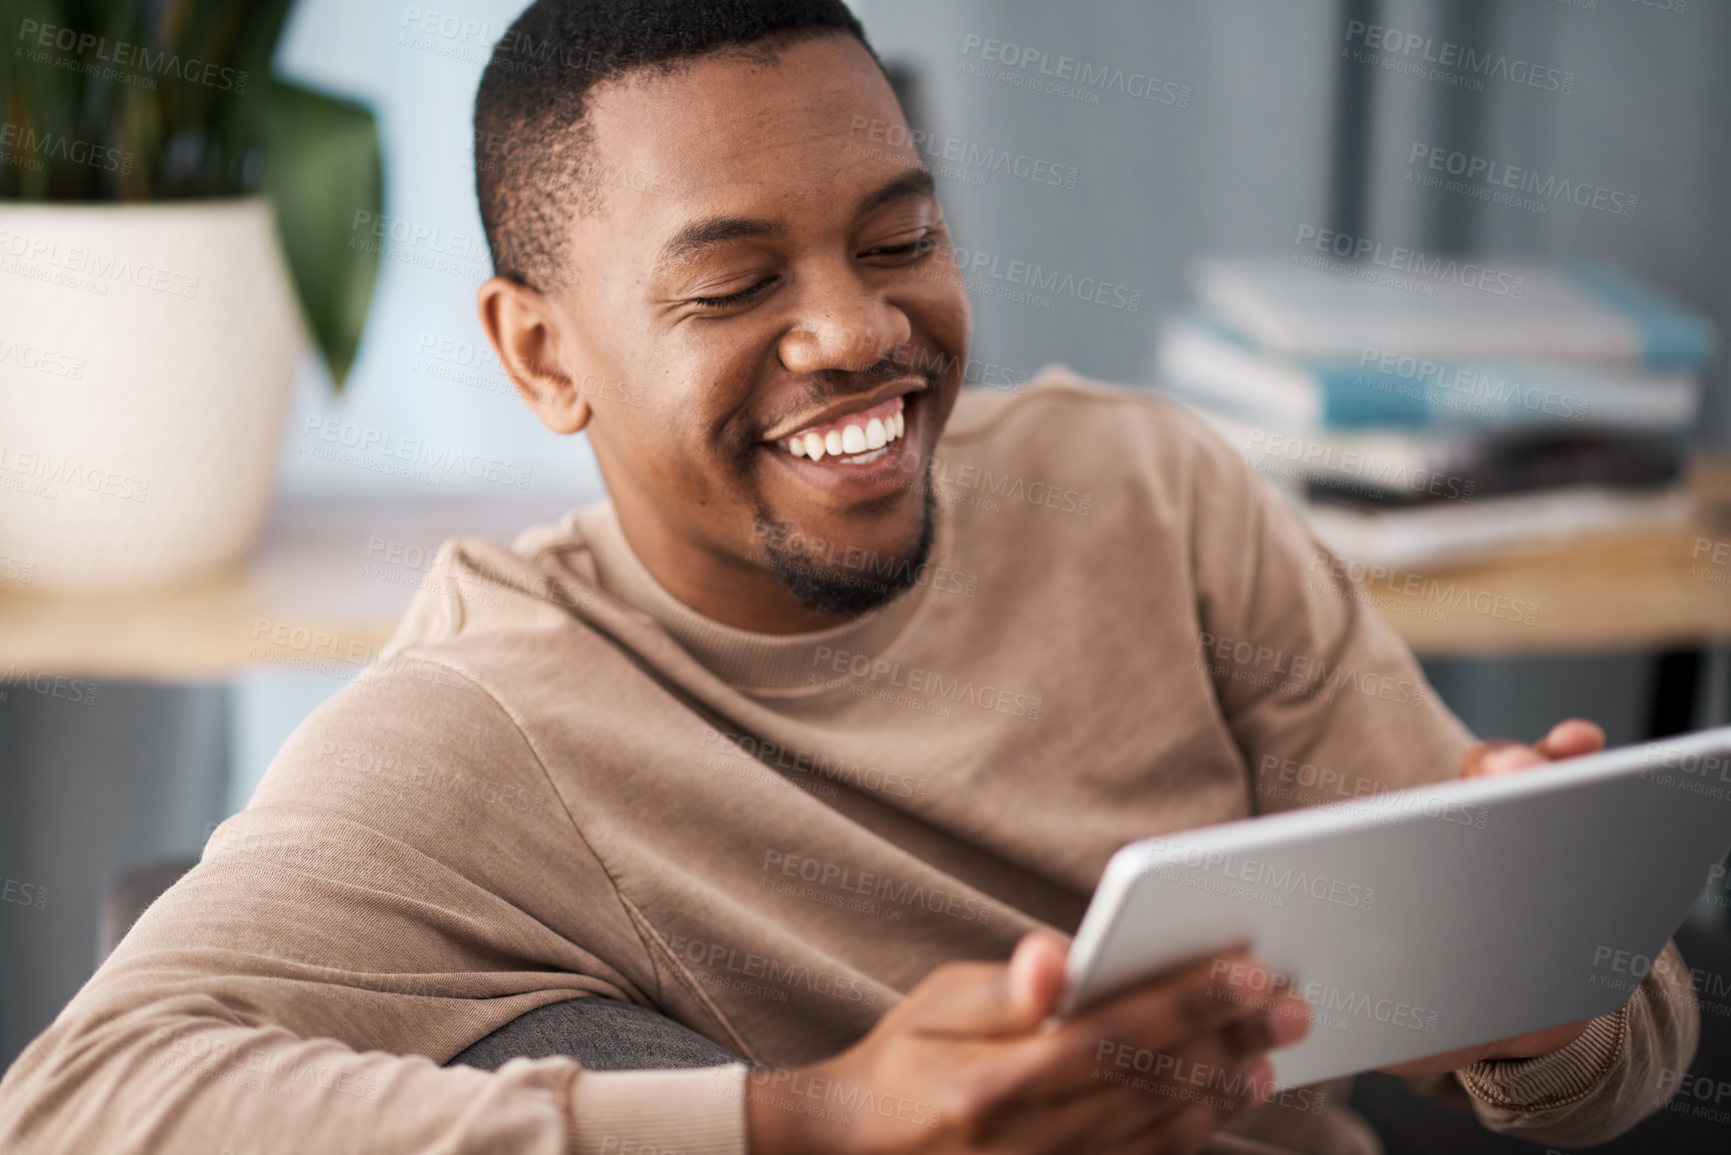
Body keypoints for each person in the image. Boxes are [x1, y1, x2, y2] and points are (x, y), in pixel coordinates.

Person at [0, 2, 1697, 1153]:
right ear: (541, 357)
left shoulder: (1151, 489)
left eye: (900, 240)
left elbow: (1601, 1072)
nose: (859, 330)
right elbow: (76, 1102)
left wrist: (1533, 989)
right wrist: (809, 1120)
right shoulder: (487, 720)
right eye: (733, 284)